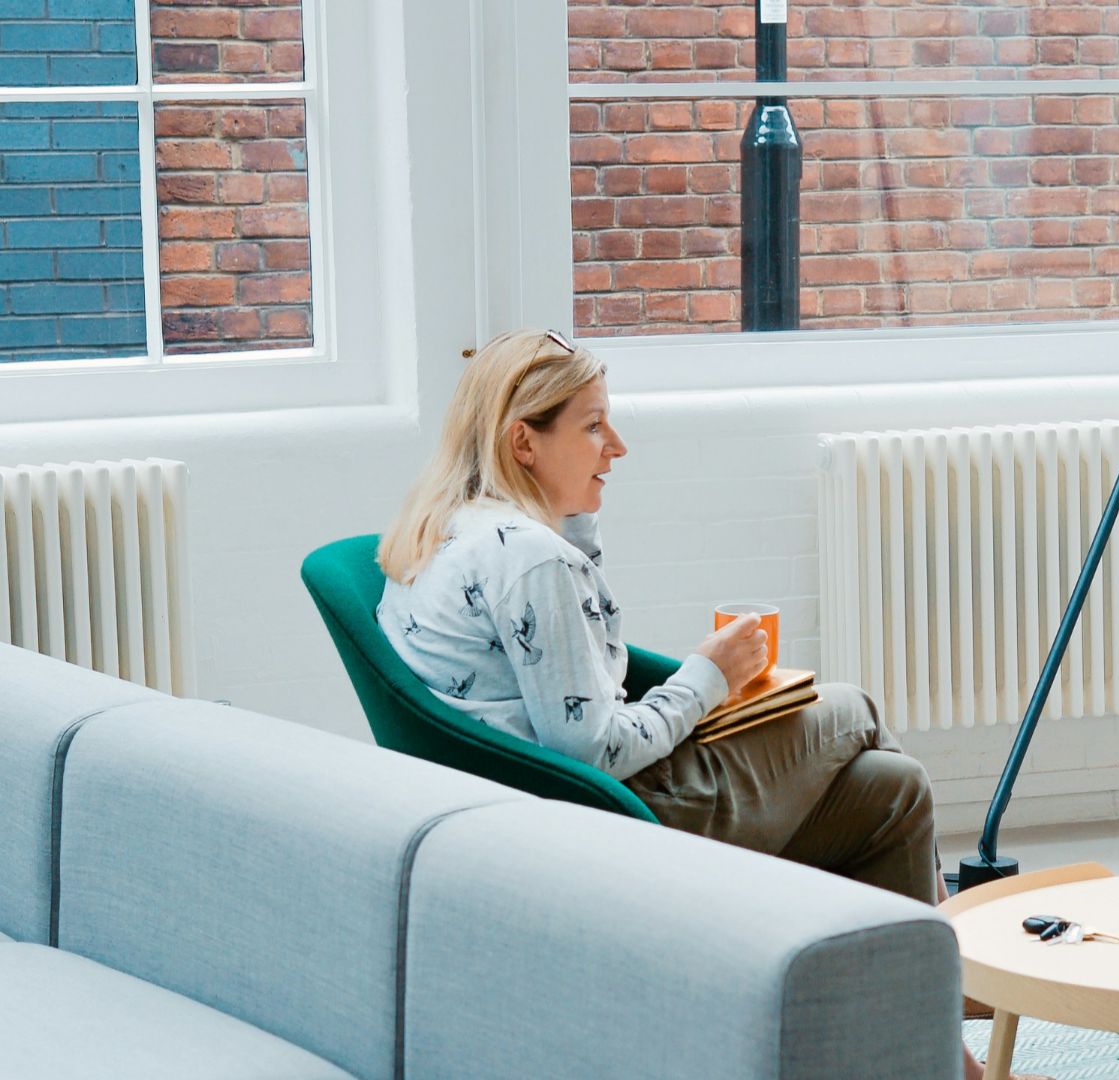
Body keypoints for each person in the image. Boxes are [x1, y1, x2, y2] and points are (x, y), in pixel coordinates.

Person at [377, 328, 1045, 1080]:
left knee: (893, 788)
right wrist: (707, 676)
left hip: (545, 811)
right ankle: (942, 992)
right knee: (853, 707)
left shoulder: (457, 530)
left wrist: (576, 520)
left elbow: (576, 677)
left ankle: (938, 1053)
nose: (616, 446)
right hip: (620, 816)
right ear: (523, 442)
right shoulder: (533, 560)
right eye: (593, 426)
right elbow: (591, 748)